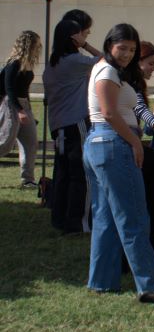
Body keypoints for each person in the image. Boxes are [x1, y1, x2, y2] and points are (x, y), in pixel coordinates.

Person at [83, 23, 154, 294]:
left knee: (106, 217)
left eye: (132, 49)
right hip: (113, 143)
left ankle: (102, 282)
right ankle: (152, 286)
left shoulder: (106, 68)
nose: (127, 54)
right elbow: (109, 112)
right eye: (122, 48)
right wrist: (135, 142)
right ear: (110, 45)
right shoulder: (107, 71)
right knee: (134, 217)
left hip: (101, 144)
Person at [42, 12, 102, 234]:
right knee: (82, 175)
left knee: (64, 174)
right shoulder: (75, 62)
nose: (83, 36)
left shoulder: (52, 65)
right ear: (72, 38)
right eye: (80, 33)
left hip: (58, 127)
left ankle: (60, 219)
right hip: (76, 124)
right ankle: (79, 222)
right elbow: (107, 61)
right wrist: (85, 45)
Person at [2, 30, 42, 189]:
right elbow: (9, 88)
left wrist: (27, 110)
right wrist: (19, 110)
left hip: (24, 105)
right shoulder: (13, 63)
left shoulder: (26, 64)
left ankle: (27, 180)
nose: (39, 47)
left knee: (31, 142)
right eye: (36, 43)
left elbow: (23, 89)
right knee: (5, 143)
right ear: (28, 44)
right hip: (12, 105)